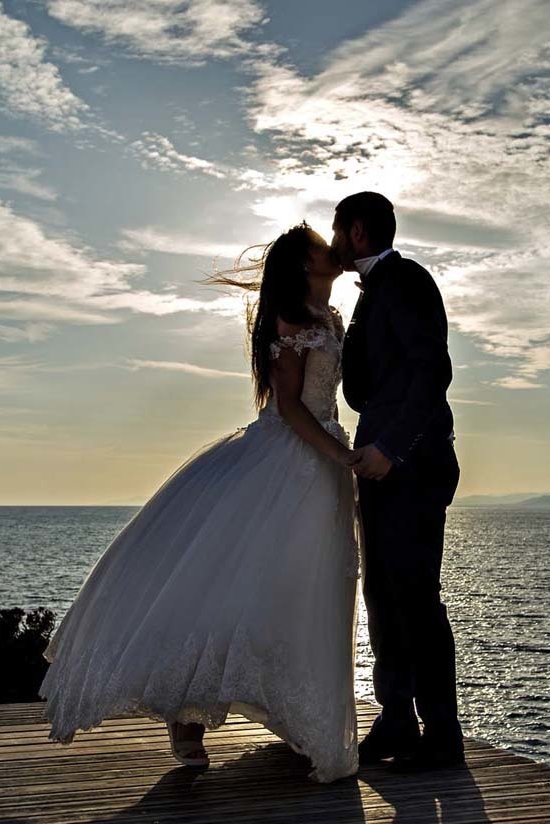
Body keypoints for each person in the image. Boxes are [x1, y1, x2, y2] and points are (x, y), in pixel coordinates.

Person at [39, 222, 362, 783]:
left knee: (297, 593)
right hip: (288, 461)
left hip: (321, 466)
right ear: (303, 266)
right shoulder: (294, 322)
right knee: (222, 591)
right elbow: (288, 406)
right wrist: (339, 456)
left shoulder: (330, 318)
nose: (331, 252)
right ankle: (183, 718)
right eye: (320, 248)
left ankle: (298, 713)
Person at [333, 191, 466, 772]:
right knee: (382, 596)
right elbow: (363, 390)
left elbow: (432, 373)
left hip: (414, 467)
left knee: (416, 599)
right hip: (379, 466)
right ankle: (396, 719)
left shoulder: (409, 280)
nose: (334, 242)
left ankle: (442, 734)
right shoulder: (368, 295)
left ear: (357, 232)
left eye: (339, 231)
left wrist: (392, 448)